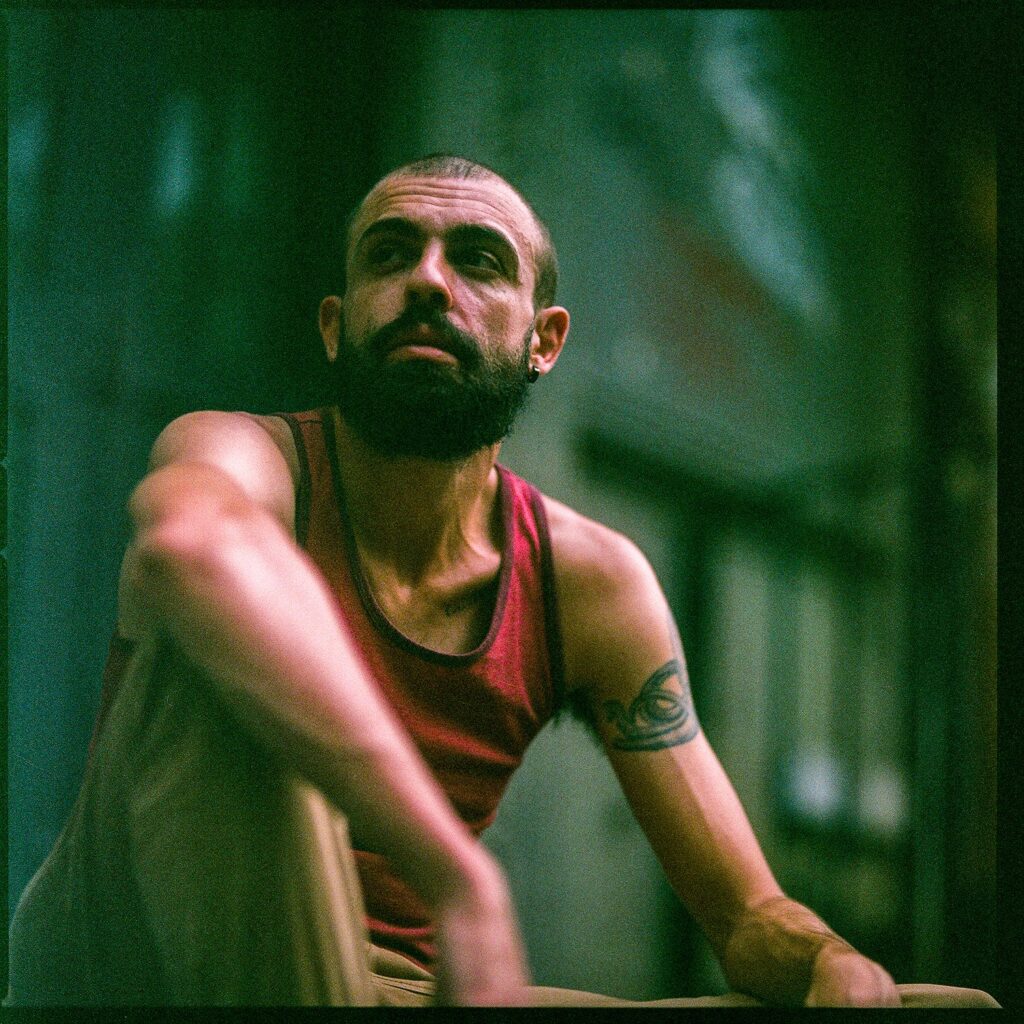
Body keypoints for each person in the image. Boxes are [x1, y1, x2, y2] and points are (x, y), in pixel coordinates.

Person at [7, 154, 998, 1008]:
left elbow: (746, 914)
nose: (428, 281)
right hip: (127, 948)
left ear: (544, 339)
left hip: (387, 985)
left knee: (946, 1003)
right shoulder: (241, 458)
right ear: (333, 323)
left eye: (476, 260)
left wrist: (826, 957)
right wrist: (459, 878)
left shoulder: (585, 580)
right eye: (389, 254)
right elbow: (189, 551)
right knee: (220, 637)